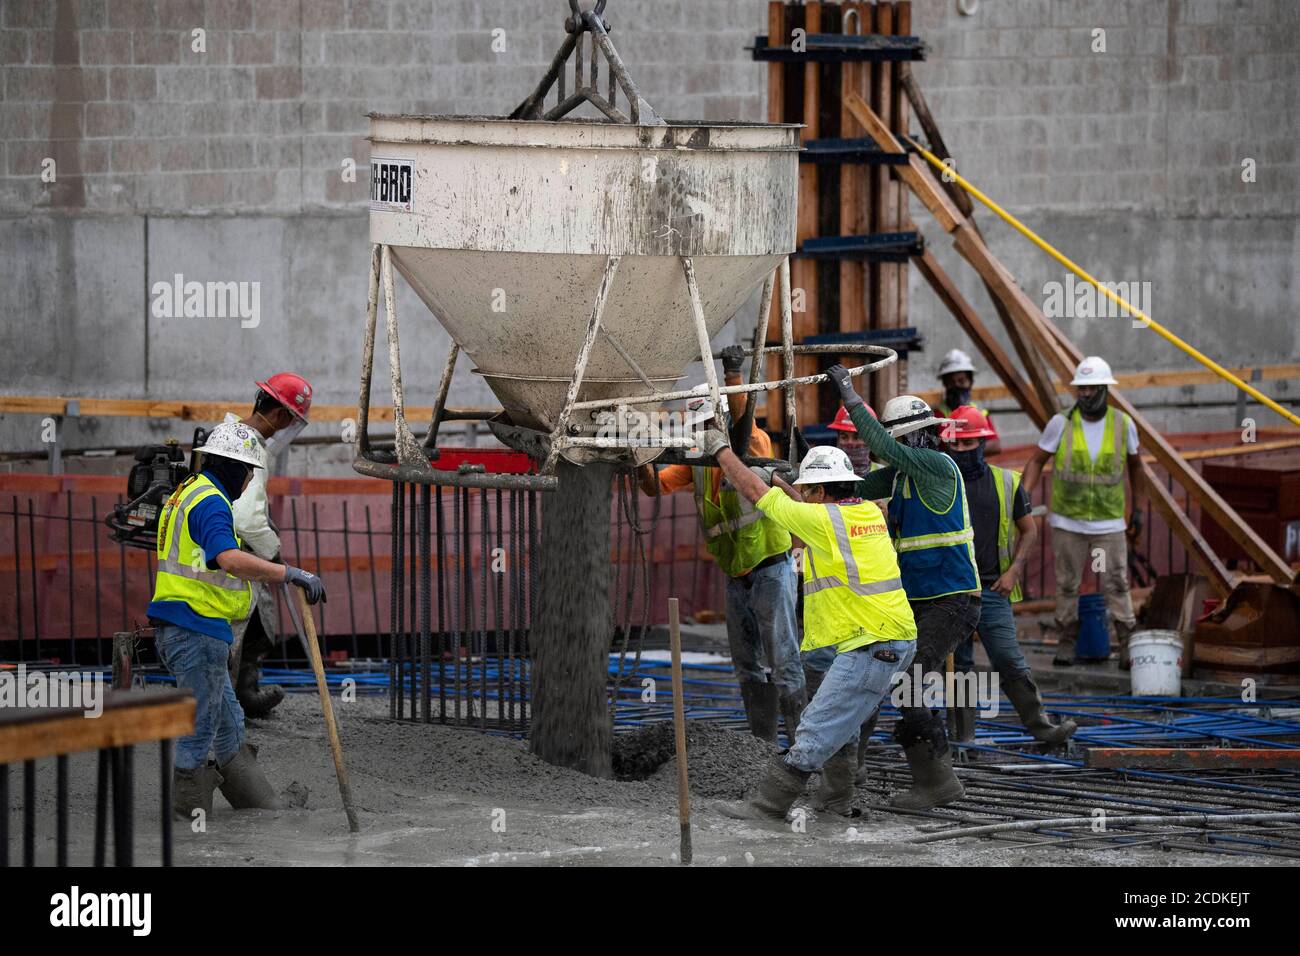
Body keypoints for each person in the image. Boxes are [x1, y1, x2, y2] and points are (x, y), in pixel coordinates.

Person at [710, 440, 917, 821]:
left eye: (808, 490)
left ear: (821, 492)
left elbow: (759, 495)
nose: (804, 496)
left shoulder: (823, 521)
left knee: (816, 725)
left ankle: (768, 805)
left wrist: (722, 452)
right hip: (885, 638)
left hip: (874, 643)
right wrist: (781, 479)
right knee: (845, 724)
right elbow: (804, 511)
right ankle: (836, 801)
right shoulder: (866, 512)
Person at [147, 421, 327, 819]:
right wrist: (289, 573)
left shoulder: (185, 493)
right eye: (248, 473)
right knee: (202, 725)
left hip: (190, 629)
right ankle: (186, 816)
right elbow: (227, 558)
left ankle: (261, 804)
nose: (248, 482)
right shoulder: (211, 501)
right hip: (195, 629)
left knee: (229, 722)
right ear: (236, 469)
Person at [826, 365, 982, 810]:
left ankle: (937, 781)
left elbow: (877, 444)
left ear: (912, 439)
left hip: (952, 599)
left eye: (895, 442)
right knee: (881, 670)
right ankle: (852, 769)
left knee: (909, 681)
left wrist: (851, 397)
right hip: (916, 602)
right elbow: (847, 489)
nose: (884, 452)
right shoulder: (899, 478)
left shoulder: (937, 467)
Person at [637, 346, 806, 743]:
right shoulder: (696, 463)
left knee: (784, 663)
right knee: (747, 665)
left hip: (771, 569)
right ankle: (761, 745)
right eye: (696, 426)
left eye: (707, 424)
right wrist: (639, 457)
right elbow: (653, 489)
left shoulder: (755, 445)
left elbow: (745, 421)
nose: (699, 433)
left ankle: (802, 748)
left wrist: (733, 377)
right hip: (736, 577)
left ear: (723, 422)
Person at [941, 406, 1077, 744]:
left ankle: (1043, 729)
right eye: (955, 446)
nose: (961, 452)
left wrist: (1015, 570)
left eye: (968, 445)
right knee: (960, 667)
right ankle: (962, 739)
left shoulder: (1006, 482)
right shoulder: (941, 484)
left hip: (991, 589)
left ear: (982, 443)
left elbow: (1028, 530)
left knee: (1009, 659)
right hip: (952, 591)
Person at [1021, 356, 1142, 667]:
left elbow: (1136, 467)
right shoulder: (1061, 423)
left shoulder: (1123, 424)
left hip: (1108, 520)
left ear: (1105, 389)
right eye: (1081, 389)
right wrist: (1022, 499)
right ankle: (1066, 641)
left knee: (1115, 581)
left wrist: (1138, 510)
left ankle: (1127, 641)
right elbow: (1036, 461)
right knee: (1067, 584)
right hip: (1068, 520)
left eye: (1091, 389)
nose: (1085, 394)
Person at [224, 373, 313, 717]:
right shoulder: (245, 444)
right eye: (289, 421)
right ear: (280, 415)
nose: (284, 430)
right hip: (233, 552)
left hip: (235, 548)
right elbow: (245, 518)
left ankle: (245, 692)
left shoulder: (233, 434)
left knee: (260, 622)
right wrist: (273, 550)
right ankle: (227, 708)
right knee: (234, 630)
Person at [935, 348, 1001, 456]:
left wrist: (965, 451)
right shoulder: (936, 416)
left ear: (970, 382)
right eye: (951, 382)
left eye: (961, 381)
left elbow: (995, 445)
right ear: (945, 384)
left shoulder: (980, 414)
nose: (956, 386)